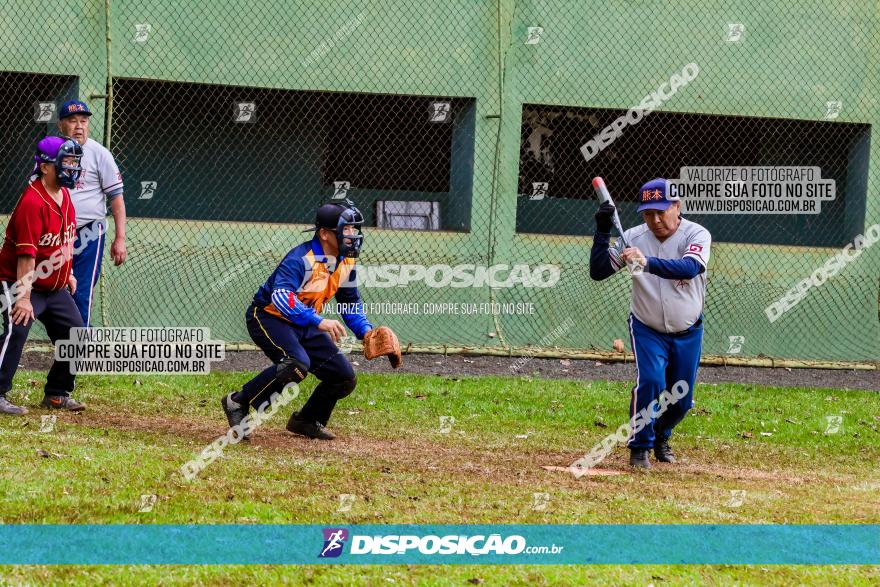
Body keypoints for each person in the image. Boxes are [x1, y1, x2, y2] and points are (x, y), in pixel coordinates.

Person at [221, 200, 398, 440]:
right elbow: (281, 297)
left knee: (343, 377)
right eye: (346, 229)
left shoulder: (346, 261)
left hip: (304, 322)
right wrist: (317, 321)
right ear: (325, 234)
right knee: (296, 364)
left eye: (355, 230)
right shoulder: (302, 259)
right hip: (269, 316)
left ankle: (307, 420)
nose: (353, 235)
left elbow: (349, 302)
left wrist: (365, 331)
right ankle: (238, 401)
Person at [589, 178, 711, 469]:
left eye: (661, 211)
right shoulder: (633, 236)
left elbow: (690, 267)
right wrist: (602, 231)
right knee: (652, 382)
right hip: (647, 327)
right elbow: (598, 271)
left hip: (688, 330)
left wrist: (647, 262)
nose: (654, 220)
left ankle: (660, 435)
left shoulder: (697, 233)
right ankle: (640, 447)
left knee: (681, 398)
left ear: (677, 207)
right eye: (648, 213)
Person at [0, 137, 86, 415]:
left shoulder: (64, 196)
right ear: (46, 167)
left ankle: (57, 394)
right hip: (17, 281)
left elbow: (64, 240)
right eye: (66, 162)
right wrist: (23, 298)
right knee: (18, 328)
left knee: (76, 334)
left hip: (52, 286)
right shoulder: (32, 202)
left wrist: (68, 272)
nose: (72, 168)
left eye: (74, 162)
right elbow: (26, 257)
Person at [56, 100, 127, 326]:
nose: (79, 126)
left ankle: (79, 345)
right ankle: (69, 337)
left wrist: (120, 238)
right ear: (61, 125)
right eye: (73, 121)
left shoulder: (99, 153)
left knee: (82, 289)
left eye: (84, 121)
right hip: (56, 232)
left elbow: (116, 198)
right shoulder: (51, 150)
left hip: (89, 231)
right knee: (53, 287)